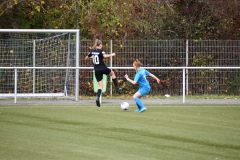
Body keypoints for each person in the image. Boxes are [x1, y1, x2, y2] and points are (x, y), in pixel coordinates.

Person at [85, 39, 121, 107]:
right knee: (112, 73)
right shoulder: (100, 51)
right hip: (103, 68)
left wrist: (90, 56)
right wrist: (112, 54)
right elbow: (104, 56)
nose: (102, 46)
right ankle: (117, 88)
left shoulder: (92, 51)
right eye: (102, 45)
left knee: (100, 86)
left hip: (96, 70)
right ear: (100, 45)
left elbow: (86, 58)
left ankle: (98, 98)